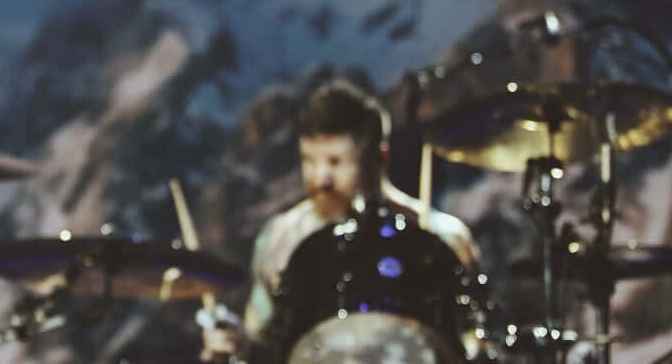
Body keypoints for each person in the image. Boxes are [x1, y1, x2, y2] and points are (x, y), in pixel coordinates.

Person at [204, 78, 479, 362]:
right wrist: (234, 343)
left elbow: (475, 338)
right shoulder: (281, 238)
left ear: (379, 158)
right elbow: (262, 339)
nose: (321, 178)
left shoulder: (440, 236)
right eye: (309, 160)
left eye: (336, 162)